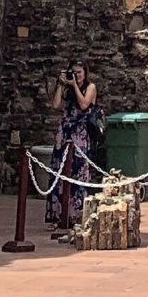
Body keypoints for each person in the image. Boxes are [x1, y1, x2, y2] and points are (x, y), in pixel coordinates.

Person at [48, 61, 99, 241]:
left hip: (80, 132)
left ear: (85, 73)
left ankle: (76, 214)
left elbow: (84, 105)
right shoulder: (67, 87)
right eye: (73, 73)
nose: (76, 76)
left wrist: (75, 86)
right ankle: (59, 215)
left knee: (78, 172)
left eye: (79, 73)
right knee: (60, 171)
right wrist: (61, 85)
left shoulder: (90, 87)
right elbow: (55, 105)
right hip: (65, 131)